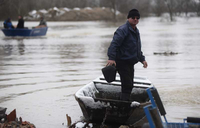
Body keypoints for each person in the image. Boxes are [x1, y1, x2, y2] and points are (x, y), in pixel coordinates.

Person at [107, 9, 148, 101]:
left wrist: (142, 59)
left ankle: (124, 101)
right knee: (127, 85)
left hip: (130, 62)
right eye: (133, 17)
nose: (135, 19)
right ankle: (124, 105)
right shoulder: (123, 30)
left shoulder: (136, 31)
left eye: (137, 18)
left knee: (130, 85)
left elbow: (136, 48)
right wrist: (111, 58)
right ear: (128, 18)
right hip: (122, 61)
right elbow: (114, 44)